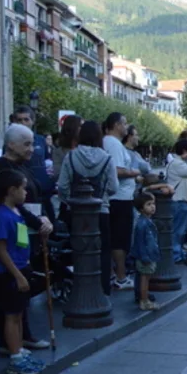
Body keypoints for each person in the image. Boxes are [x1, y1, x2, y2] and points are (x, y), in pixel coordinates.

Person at [0, 124, 55, 354]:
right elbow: (15, 205)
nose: (31, 149)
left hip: (27, 231)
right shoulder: (1, 168)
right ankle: (10, 342)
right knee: (12, 291)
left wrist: (44, 218)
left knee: (22, 290)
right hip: (14, 232)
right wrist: (38, 222)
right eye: (26, 144)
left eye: (32, 144)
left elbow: (35, 195)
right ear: (11, 144)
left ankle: (22, 336)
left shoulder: (23, 166)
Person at [0, 169, 46, 374]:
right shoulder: (2, 216)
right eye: (22, 188)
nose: (25, 192)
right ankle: (14, 356)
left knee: (19, 313)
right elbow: (1, 250)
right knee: (11, 315)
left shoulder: (17, 212)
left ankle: (20, 350)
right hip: (11, 272)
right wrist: (18, 275)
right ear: (11, 190)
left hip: (22, 266)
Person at [57, 120, 119, 294]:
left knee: (79, 249)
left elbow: (62, 186)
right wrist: (103, 197)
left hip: (76, 213)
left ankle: (79, 289)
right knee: (103, 251)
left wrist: (71, 201)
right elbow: (114, 187)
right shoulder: (107, 158)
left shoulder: (71, 156)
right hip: (101, 210)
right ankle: (102, 289)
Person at [103, 112, 139, 291]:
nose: (126, 127)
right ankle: (121, 277)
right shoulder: (114, 144)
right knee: (120, 240)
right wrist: (134, 172)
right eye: (124, 123)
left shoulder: (110, 143)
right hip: (119, 198)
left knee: (116, 239)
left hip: (119, 197)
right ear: (116, 125)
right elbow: (117, 170)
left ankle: (113, 274)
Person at [10, 105, 53, 200]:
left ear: (32, 121)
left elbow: (47, 162)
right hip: (24, 192)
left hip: (44, 190)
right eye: (19, 120)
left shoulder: (41, 140)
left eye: (26, 119)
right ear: (15, 122)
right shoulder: (10, 143)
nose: (23, 123)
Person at [130, 192, 161, 311]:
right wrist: (144, 256)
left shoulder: (147, 222)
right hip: (146, 256)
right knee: (144, 278)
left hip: (149, 254)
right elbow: (140, 242)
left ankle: (143, 298)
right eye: (148, 204)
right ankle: (144, 300)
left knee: (145, 277)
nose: (153, 206)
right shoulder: (142, 224)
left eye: (153, 203)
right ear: (141, 208)